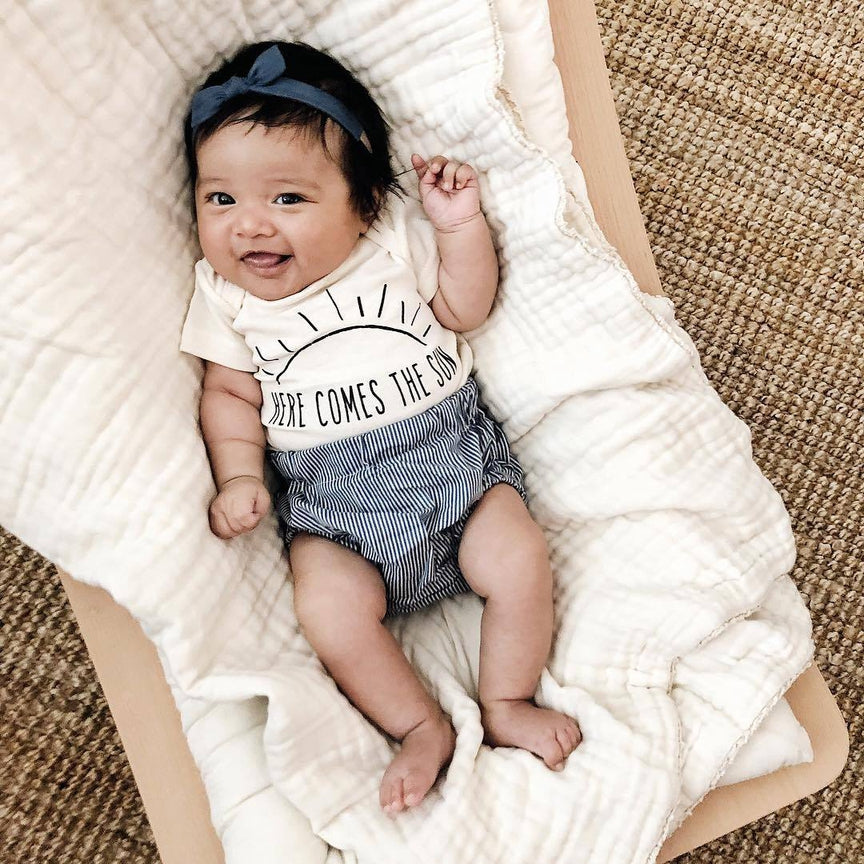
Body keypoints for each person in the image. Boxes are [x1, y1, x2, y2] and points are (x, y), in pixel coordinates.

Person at [180, 40, 581, 816]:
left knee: (518, 555)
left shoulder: (390, 241)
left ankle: (506, 700)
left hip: (454, 472)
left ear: (362, 204)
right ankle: (420, 725)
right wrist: (239, 476)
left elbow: (463, 308)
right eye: (219, 199)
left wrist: (458, 228)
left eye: (287, 199)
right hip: (337, 514)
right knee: (326, 607)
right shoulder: (226, 297)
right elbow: (228, 393)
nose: (249, 226)